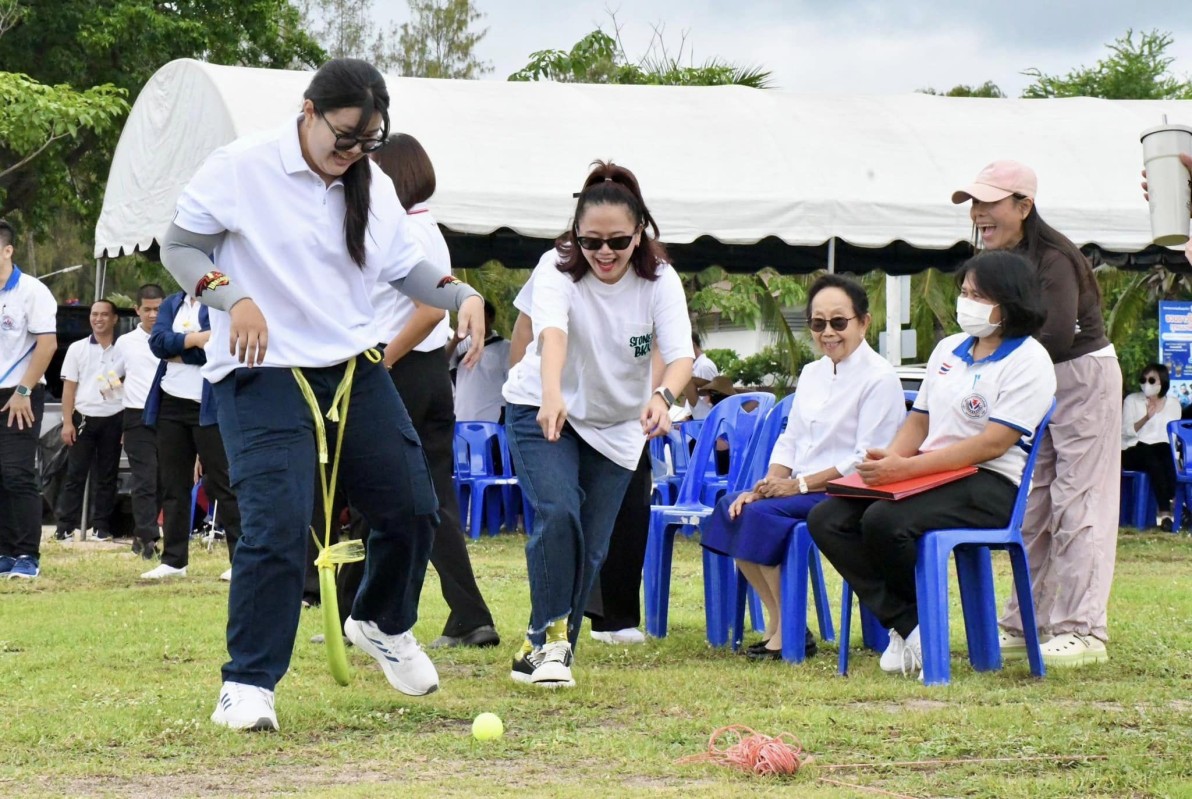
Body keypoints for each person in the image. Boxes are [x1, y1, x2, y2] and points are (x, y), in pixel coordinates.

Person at [159, 58, 486, 731]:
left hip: (351, 367)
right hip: (261, 369)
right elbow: (181, 246)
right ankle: (247, 684)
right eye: (343, 138)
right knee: (278, 522)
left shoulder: (370, 183)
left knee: (414, 507)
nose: (353, 155)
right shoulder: (242, 165)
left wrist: (464, 295)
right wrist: (233, 296)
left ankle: (382, 621)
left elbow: (405, 269)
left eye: (367, 143)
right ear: (308, 111)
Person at [808, 251, 1055, 677]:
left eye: (978, 295)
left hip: (991, 484)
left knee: (885, 521)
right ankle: (911, 627)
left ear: (1010, 301)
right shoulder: (949, 349)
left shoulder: (1030, 360)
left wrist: (906, 471)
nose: (967, 302)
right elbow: (919, 420)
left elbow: (992, 444)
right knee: (828, 517)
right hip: (930, 474)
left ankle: (915, 631)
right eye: (964, 292)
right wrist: (893, 458)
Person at [502, 161, 694, 689]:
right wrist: (550, 392)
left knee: (591, 546)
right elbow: (552, 333)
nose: (604, 253)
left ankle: (541, 649)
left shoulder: (660, 280)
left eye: (617, 241)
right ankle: (549, 643)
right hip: (543, 408)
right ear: (575, 237)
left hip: (616, 426)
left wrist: (662, 396)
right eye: (591, 242)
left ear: (639, 233)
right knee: (559, 513)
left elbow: (681, 357)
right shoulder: (555, 267)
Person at [953, 161, 1121, 668]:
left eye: (991, 203)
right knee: (1035, 507)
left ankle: (1083, 630)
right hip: (1036, 386)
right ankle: (1025, 623)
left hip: (1079, 378)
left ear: (1024, 206)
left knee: (1079, 502)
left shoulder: (1054, 258)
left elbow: (1056, 337)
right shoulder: (1000, 261)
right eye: (974, 205)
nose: (980, 214)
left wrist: (999, 367)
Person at [334, 132, 499, 649]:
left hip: (400, 370)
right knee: (431, 501)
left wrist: (385, 359)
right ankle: (469, 614)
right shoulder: (429, 227)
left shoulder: (407, 228)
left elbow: (431, 308)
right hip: (428, 375)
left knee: (375, 494)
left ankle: (354, 614)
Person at [701, 275, 905, 660]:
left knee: (760, 516)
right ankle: (783, 623)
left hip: (847, 492)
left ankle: (788, 630)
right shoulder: (812, 373)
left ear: (864, 322)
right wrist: (770, 481)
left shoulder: (880, 378)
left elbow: (864, 458)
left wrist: (799, 485)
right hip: (802, 487)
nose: (828, 333)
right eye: (817, 323)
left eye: (839, 322)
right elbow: (790, 438)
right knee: (737, 507)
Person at [140, 291, 242, 582]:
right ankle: (174, 560)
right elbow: (157, 343)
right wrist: (195, 339)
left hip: (208, 405)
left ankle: (241, 558)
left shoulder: (221, 302)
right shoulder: (173, 303)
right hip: (171, 403)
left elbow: (219, 347)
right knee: (173, 484)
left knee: (223, 483)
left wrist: (180, 347)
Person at [0, 218, 57, 580]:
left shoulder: (32, 291)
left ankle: (26, 554)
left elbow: (47, 344)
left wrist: (24, 390)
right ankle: (4, 552)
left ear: (7, 250)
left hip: (20, 392)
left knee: (16, 473)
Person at [53, 300, 126, 542]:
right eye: (95, 314)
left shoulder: (124, 349)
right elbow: (69, 388)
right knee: (75, 475)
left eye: (104, 314)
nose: (99, 319)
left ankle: (101, 527)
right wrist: (67, 422)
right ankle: (65, 527)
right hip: (83, 417)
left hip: (115, 417)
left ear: (114, 319)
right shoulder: (77, 348)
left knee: (107, 475)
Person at [115, 284, 166, 558]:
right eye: (147, 309)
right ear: (137, 310)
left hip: (166, 413)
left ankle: (142, 532)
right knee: (144, 478)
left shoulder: (174, 336)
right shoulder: (125, 342)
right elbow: (112, 374)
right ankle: (148, 537)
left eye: (158, 308)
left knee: (162, 479)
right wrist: (110, 388)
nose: (153, 315)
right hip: (135, 414)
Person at [1121, 363, 1181, 530]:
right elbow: (1125, 432)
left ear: (1162, 382)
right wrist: (1146, 418)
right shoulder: (1132, 400)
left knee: (1163, 451)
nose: (1146, 383)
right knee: (1150, 454)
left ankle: (1169, 514)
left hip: (1161, 452)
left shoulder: (1173, 404)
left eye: (1152, 380)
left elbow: (1172, 436)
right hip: (1132, 449)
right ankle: (1168, 509)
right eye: (1143, 379)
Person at [449, 300, 511, 423]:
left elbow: (511, 384)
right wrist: (455, 340)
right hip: (461, 417)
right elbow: (442, 361)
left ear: (491, 318)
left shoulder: (506, 348)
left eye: (479, 316)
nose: (474, 321)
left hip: (492, 421)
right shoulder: (460, 346)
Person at [681, 332, 720, 421]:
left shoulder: (704, 366)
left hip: (701, 421)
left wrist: (689, 418)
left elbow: (711, 397)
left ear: (692, 345)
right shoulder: (694, 367)